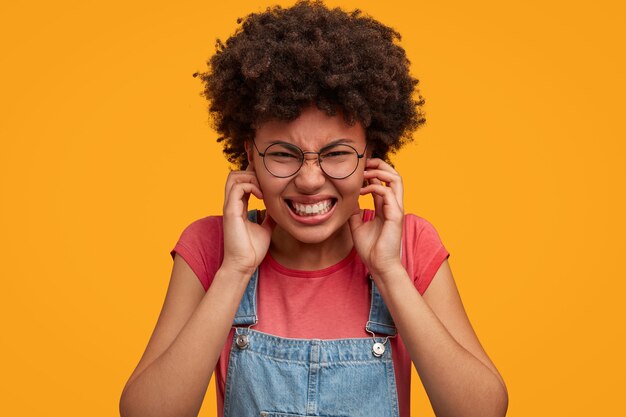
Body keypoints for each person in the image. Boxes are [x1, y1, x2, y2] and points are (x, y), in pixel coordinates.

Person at [119, 1, 508, 416]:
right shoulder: (210, 247)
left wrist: (390, 272)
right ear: (250, 154)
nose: (308, 180)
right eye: (283, 154)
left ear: (370, 155)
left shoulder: (411, 246)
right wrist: (234, 270)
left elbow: (482, 410)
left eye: (337, 154)